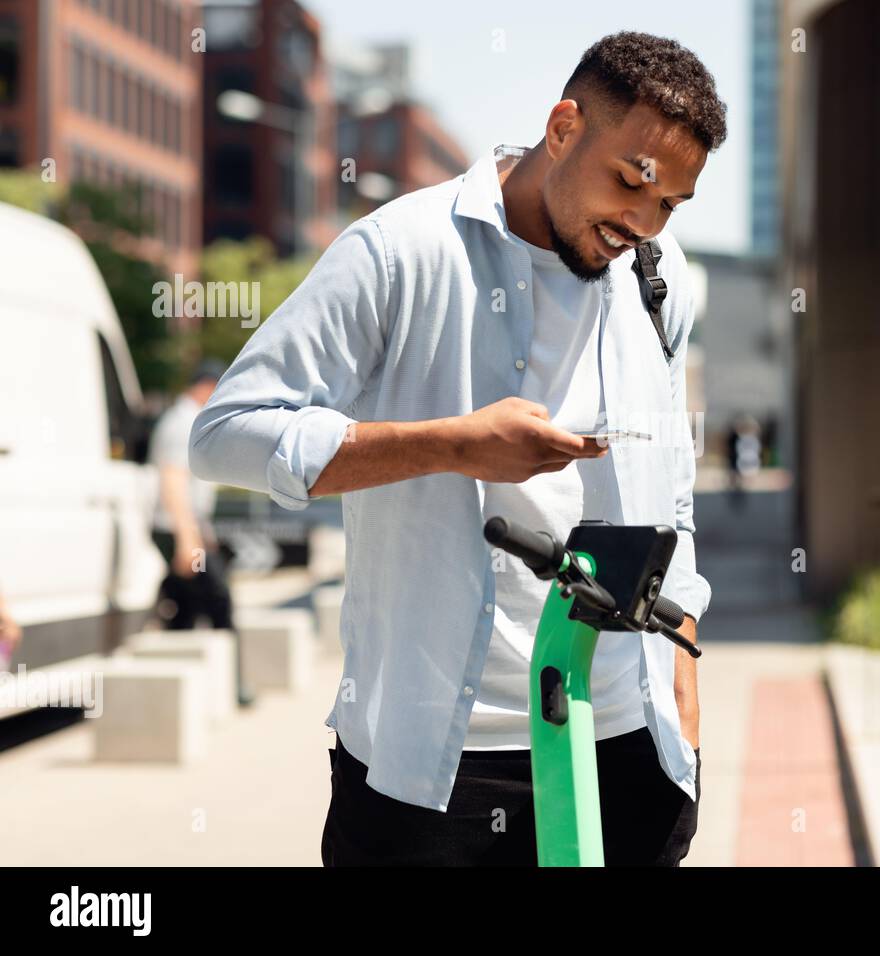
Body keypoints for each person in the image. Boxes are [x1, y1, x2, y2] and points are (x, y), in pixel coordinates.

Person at [190, 31, 727, 866]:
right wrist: (450, 445)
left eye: (670, 204)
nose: (644, 223)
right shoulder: (399, 251)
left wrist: (684, 705)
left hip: (627, 751)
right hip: (439, 776)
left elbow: (675, 496)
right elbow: (226, 435)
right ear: (563, 128)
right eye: (632, 182)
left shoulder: (661, 278)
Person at [151, 359, 254, 707]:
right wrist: (188, 539)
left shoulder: (182, 419)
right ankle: (233, 687)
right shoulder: (183, 422)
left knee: (184, 609)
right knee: (219, 602)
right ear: (209, 387)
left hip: (186, 531)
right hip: (178, 531)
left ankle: (177, 697)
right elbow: (173, 481)